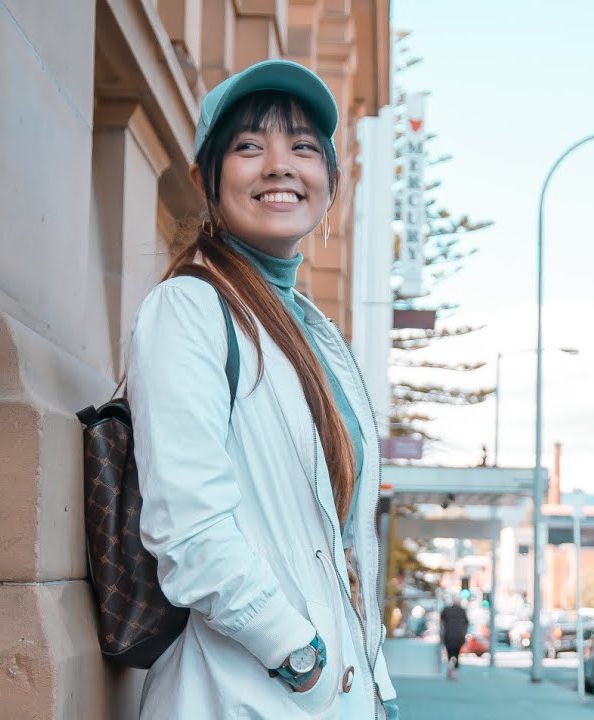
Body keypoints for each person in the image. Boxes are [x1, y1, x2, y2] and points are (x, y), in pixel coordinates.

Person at [127, 59, 398, 719]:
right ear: (205, 178)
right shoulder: (189, 309)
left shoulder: (310, 331)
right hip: (241, 694)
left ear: (331, 179)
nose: (280, 165)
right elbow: (187, 526)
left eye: (303, 147)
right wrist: (296, 653)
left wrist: (375, 683)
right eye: (249, 146)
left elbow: (338, 549)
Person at [439, 599, 469, 680]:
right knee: (456, 653)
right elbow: (467, 623)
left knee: (450, 653)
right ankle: (454, 672)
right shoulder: (462, 611)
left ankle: (450, 667)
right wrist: (464, 633)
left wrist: (442, 633)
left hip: (448, 635)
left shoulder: (446, 610)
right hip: (459, 636)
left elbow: (441, 622)